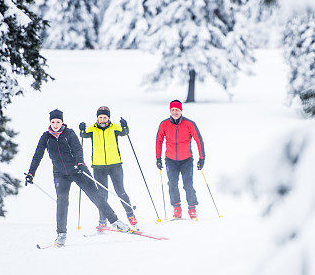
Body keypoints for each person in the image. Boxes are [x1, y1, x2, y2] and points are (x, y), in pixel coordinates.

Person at [25, 109, 131, 247]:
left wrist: (80, 163)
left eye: (58, 121)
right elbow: (37, 155)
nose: (55, 124)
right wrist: (31, 173)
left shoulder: (69, 133)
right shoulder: (46, 137)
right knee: (62, 202)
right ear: (50, 123)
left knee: (96, 196)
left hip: (77, 170)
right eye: (53, 122)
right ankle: (61, 235)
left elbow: (78, 149)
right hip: (60, 174)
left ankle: (116, 222)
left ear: (62, 122)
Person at [79, 106, 137, 230]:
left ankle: (130, 214)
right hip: (99, 167)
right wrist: (82, 129)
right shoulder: (93, 129)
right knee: (102, 195)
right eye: (100, 117)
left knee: (120, 191)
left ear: (108, 118)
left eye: (105, 117)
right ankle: (102, 220)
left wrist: (125, 125)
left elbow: (125, 132)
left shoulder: (114, 127)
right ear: (97, 118)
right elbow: (83, 135)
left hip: (115, 165)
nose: (102, 119)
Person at [155, 100, 205, 219]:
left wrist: (202, 158)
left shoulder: (189, 124)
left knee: (188, 185)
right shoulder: (164, 124)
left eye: (177, 110)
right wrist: (158, 158)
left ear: (181, 110)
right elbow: (159, 141)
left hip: (186, 160)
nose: (175, 112)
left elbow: (199, 140)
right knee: (172, 184)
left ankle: (192, 208)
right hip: (171, 160)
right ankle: (177, 208)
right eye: (172, 110)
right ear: (170, 111)